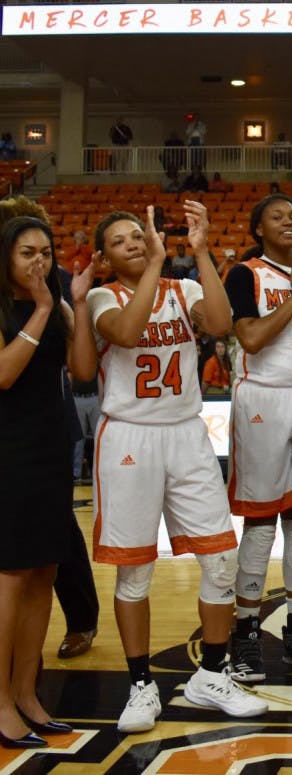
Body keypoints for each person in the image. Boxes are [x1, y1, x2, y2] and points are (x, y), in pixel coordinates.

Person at [87, 203, 266, 733]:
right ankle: (141, 684)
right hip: (130, 438)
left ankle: (212, 674)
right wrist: (151, 271)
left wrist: (202, 250)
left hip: (186, 433)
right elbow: (125, 332)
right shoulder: (102, 296)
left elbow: (220, 323)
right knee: (135, 568)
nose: (134, 244)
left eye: (137, 235)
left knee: (220, 560)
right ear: (104, 258)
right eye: (120, 241)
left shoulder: (182, 290)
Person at [224, 194, 292, 683]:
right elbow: (250, 338)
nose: (289, 221)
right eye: (277, 216)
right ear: (258, 229)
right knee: (262, 521)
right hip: (264, 398)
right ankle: (243, 630)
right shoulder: (245, 274)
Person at [0, 215, 96, 747]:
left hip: (51, 447)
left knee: (43, 573)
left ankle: (26, 692)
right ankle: (0, 702)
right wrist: (40, 309)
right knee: (10, 576)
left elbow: (82, 371)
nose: (39, 263)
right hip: (8, 451)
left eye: (45, 253)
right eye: (26, 254)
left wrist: (76, 305)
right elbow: (4, 374)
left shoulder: (57, 305)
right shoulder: (19, 308)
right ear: (6, 260)